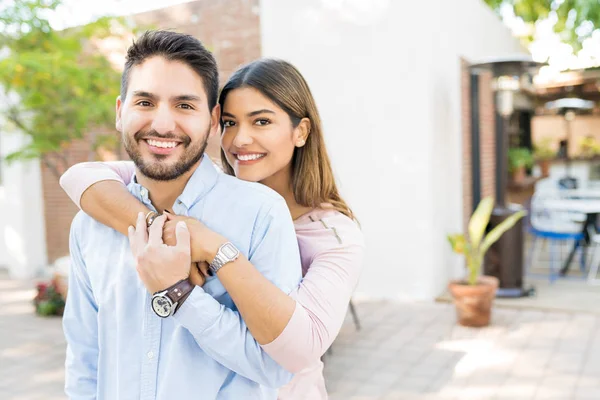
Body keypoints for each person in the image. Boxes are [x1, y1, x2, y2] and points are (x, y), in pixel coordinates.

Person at [61, 58, 365, 399]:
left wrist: (214, 250)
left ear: (301, 131)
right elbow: (81, 176)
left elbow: (299, 350)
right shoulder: (201, 185)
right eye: (231, 123)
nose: (240, 139)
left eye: (261, 121)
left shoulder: (332, 235)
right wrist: (162, 231)